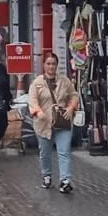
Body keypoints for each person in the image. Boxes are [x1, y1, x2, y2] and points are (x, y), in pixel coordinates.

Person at [29, 51, 80, 193]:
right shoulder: (37, 83)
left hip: (62, 122)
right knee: (45, 153)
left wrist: (70, 108)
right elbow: (32, 101)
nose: (51, 67)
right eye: (48, 64)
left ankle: (65, 180)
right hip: (44, 124)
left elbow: (74, 95)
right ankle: (46, 175)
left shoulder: (64, 81)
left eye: (53, 64)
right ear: (44, 65)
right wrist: (39, 112)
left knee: (64, 152)